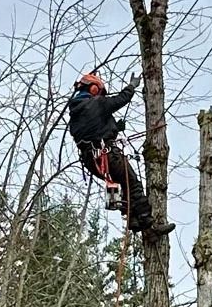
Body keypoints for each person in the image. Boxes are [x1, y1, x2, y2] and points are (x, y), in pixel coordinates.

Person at [68, 71, 175, 236]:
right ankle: (149, 223)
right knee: (133, 184)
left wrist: (115, 128)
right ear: (94, 89)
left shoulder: (75, 115)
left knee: (122, 185)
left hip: (92, 162)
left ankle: (132, 219)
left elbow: (92, 131)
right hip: (107, 155)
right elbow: (120, 100)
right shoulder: (97, 103)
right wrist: (132, 86)